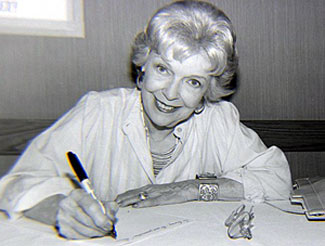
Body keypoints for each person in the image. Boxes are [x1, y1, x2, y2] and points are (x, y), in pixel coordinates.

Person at [0, 0, 292, 240]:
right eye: (163, 69)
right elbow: (17, 182)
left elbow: (276, 179)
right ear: (142, 67)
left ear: (207, 93)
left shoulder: (219, 121)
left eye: (192, 82)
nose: (170, 94)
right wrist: (60, 209)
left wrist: (187, 189)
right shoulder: (97, 112)